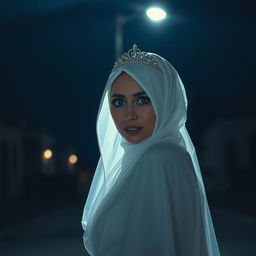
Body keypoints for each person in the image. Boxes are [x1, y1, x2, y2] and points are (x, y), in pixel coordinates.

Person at [81, 44, 221, 256]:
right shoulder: (154, 157)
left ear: (165, 101)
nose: (129, 114)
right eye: (118, 102)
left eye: (142, 100)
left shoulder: (159, 158)